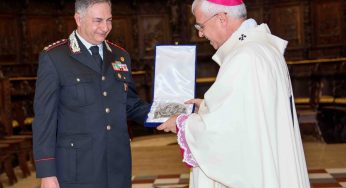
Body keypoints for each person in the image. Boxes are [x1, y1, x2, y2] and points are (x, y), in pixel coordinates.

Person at [157, 0, 311, 187]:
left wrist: (182, 124)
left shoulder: (245, 57)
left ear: (221, 18)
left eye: (201, 26)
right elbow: (248, 114)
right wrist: (206, 107)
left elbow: (227, 135)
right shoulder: (262, 49)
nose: (200, 33)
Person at [32, 0, 150, 187]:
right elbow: (44, 120)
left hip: (117, 165)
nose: (105, 27)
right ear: (79, 19)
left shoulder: (120, 56)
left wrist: (167, 114)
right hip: (77, 168)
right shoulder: (55, 58)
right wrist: (47, 173)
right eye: (98, 20)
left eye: (109, 20)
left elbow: (130, 104)